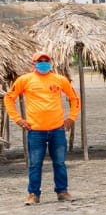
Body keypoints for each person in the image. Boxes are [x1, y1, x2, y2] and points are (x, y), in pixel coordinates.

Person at [5, 51, 81, 205]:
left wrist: (71, 118)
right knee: (35, 164)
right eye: (40, 60)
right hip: (35, 131)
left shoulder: (60, 80)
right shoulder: (24, 80)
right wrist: (18, 119)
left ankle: (62, 191)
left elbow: (74, 98)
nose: (43, 63)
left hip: (57, 129)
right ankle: (33, 194)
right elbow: (8, 98)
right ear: (33, 63)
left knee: (59, 162)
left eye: (46, 60)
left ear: (50, 62)